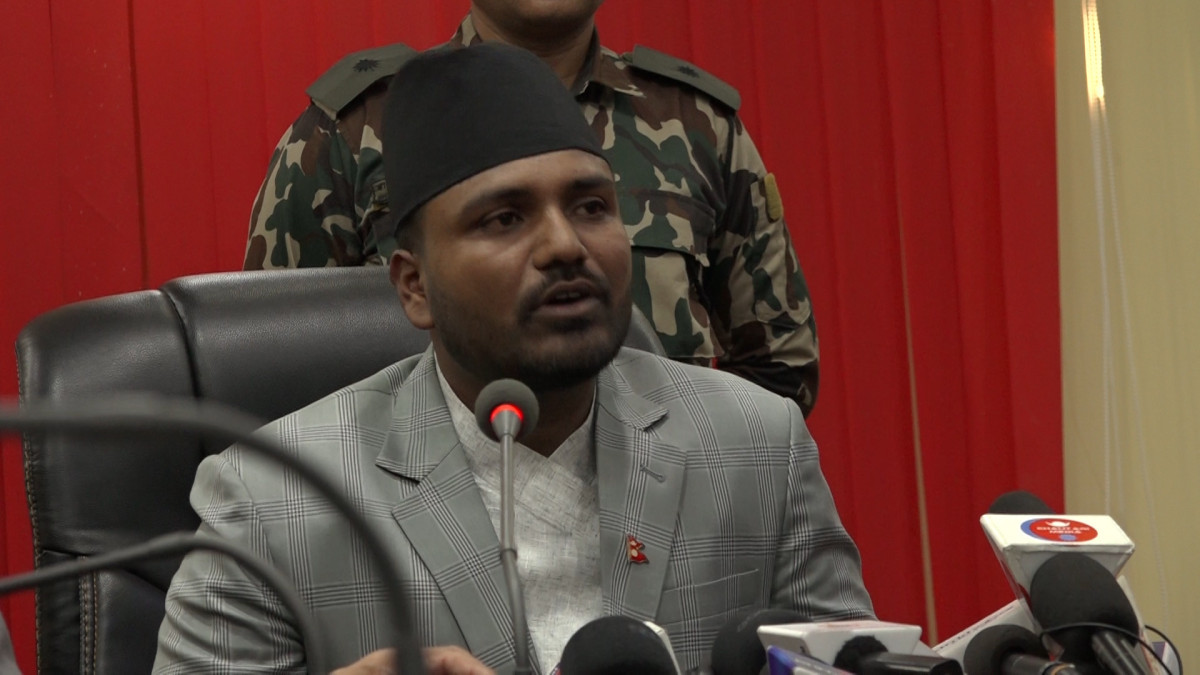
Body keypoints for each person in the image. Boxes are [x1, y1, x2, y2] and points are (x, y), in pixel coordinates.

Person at [156, 44, 871, 674]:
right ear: (415, 286)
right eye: (504, 218)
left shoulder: (757, 444)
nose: (565, 245)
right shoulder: (271, 499)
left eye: (591, 207)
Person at [244, 0, 823, 417]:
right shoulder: (355, 130)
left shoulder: (696, 125)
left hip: (663, 511)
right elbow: (274, 376)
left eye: (591, 208)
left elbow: (779, 370)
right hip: (419, 517)